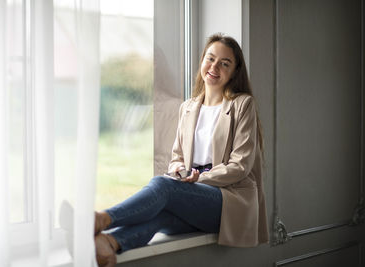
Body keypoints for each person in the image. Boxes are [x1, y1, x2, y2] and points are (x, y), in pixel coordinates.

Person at [92, 33, 269, 266]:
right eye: (210, 58)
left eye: (224, 63)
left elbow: (240, 166)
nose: (214, 67)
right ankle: (110, 244)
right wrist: (179, 170)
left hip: (230, 199)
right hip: (195, 193)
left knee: (162, 185)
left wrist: (199, 179)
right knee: (161, 215)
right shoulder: (188, 107)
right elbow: (177, 157)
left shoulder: (242, 104)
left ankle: (103, 219)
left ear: (235, 71)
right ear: (202, 61)